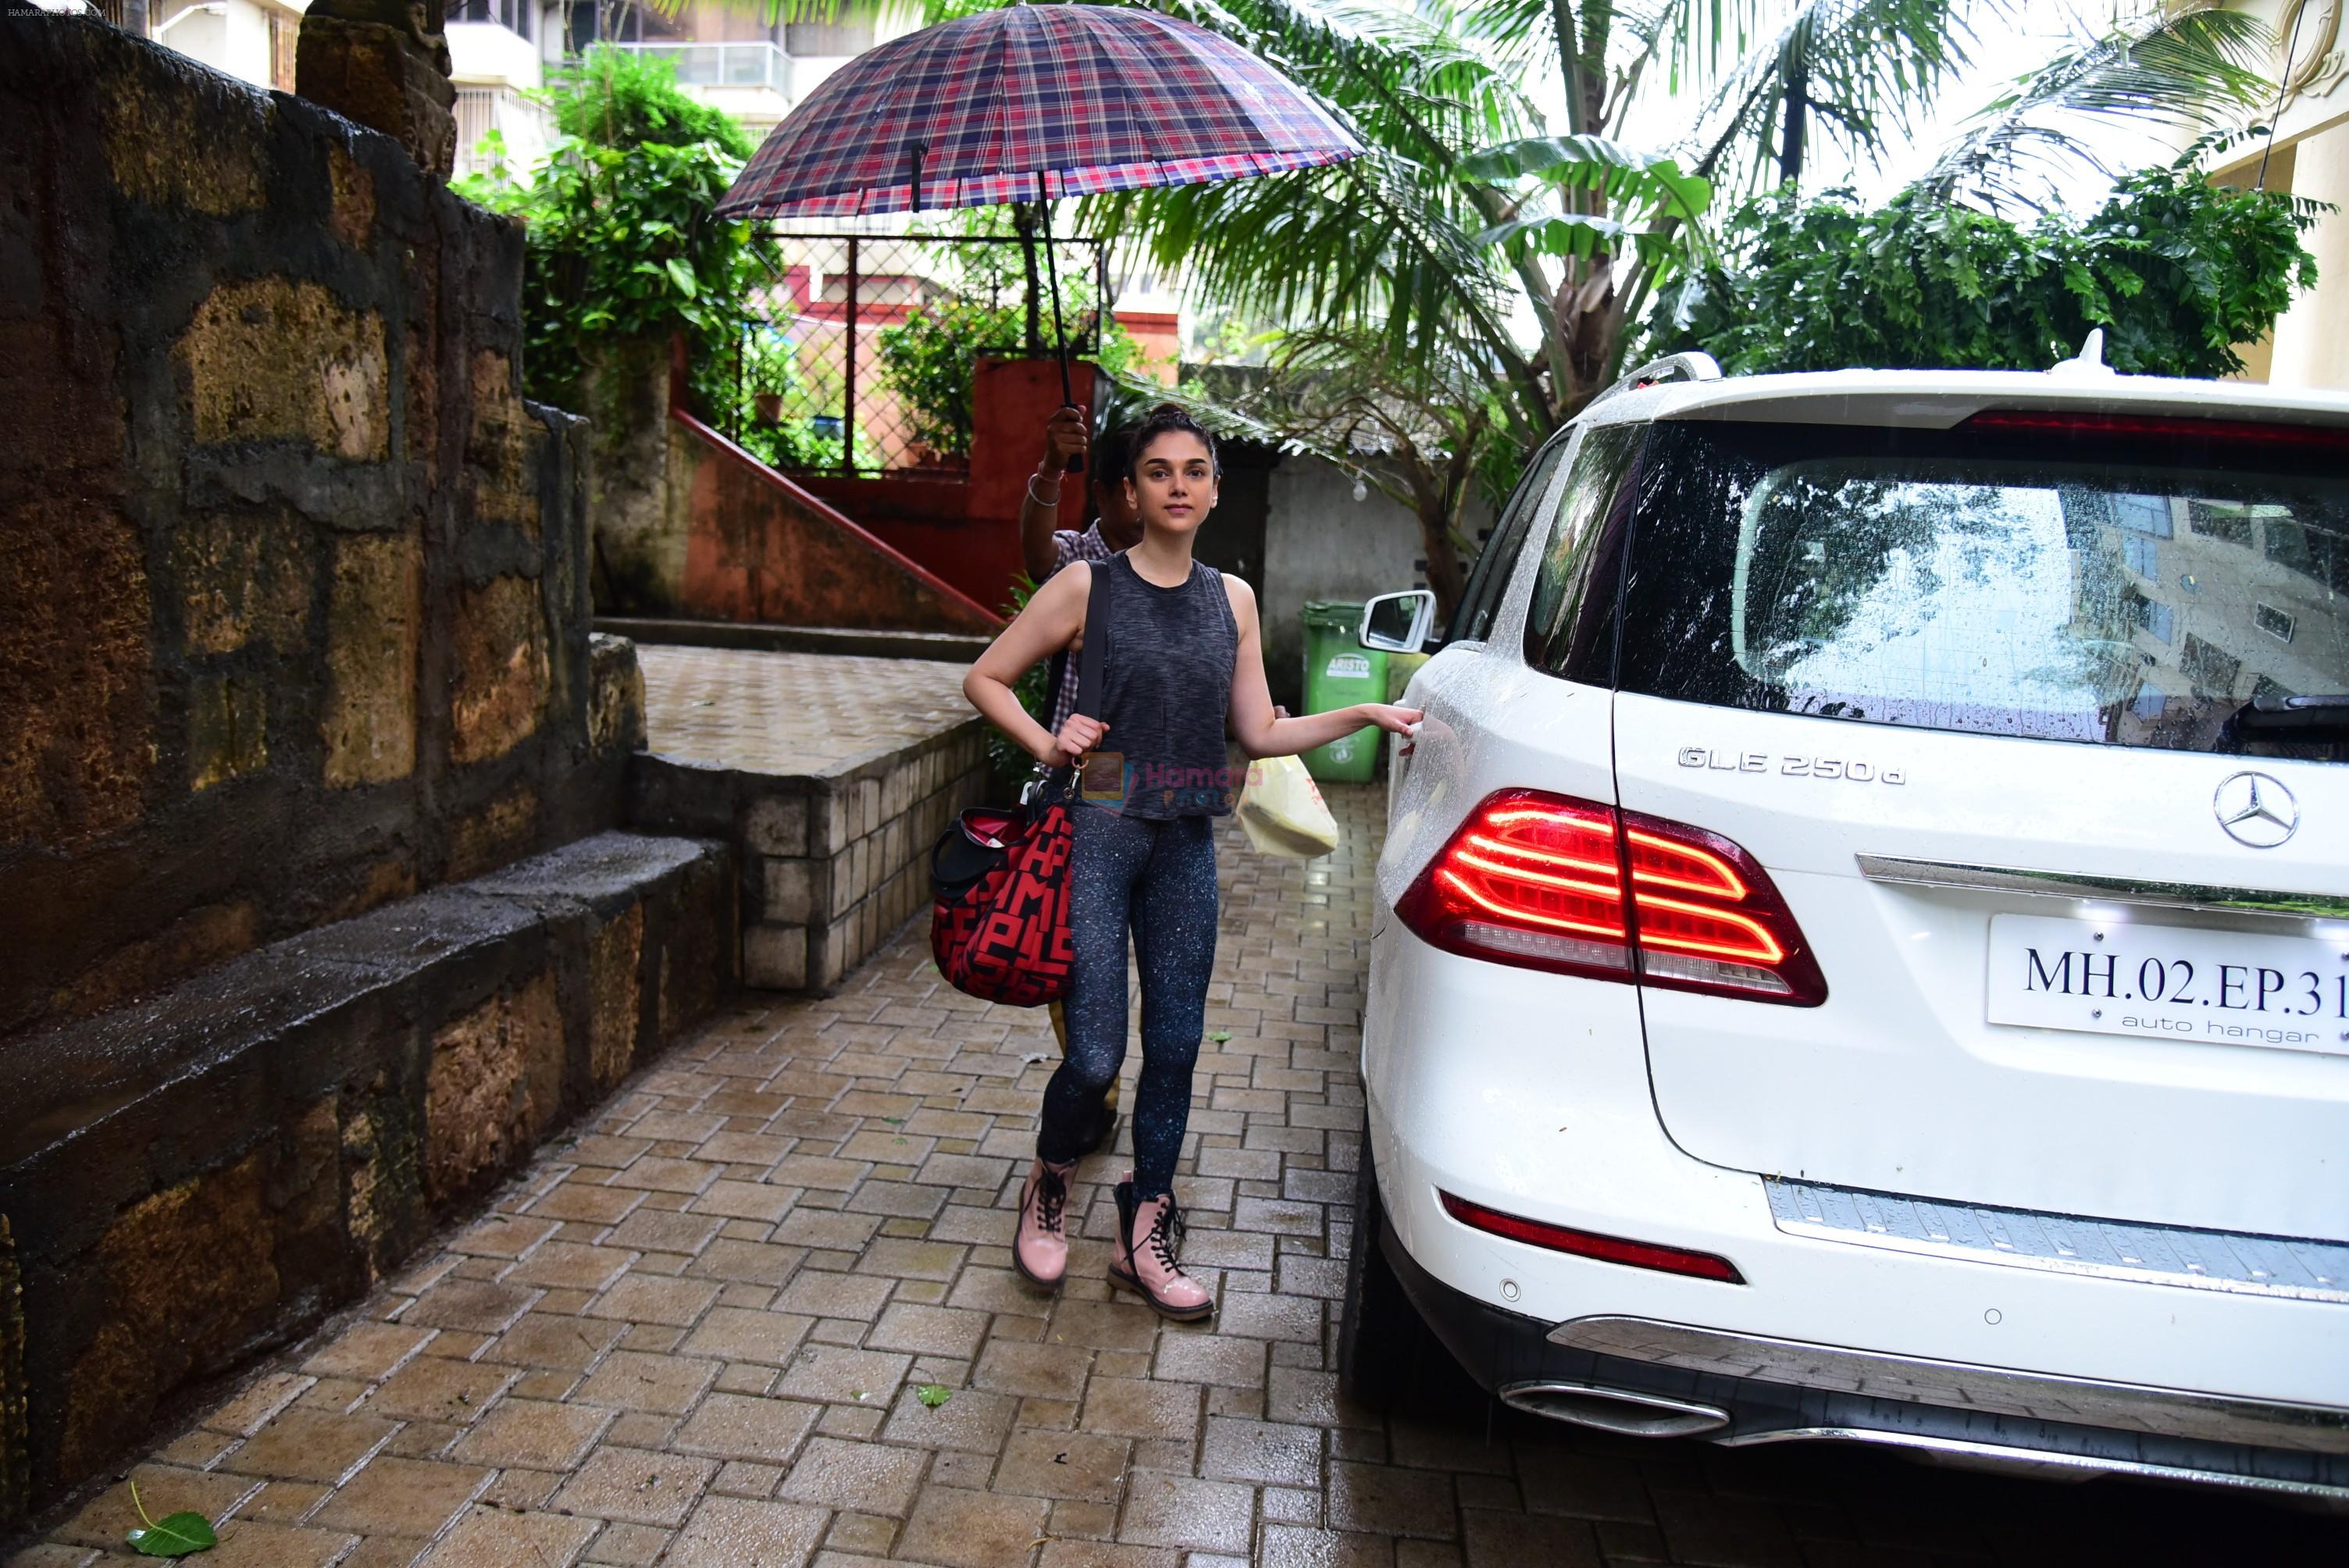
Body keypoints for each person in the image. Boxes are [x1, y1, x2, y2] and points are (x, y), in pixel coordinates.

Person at [963, 404, 1423, 1320]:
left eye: (1194, 471)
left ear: (1213, 489)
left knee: (1173, 1047)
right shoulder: (1087, 585)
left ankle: (1146, 1226)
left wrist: (1367, 715)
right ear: (1130, 490)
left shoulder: (1234, 600)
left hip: (1184, 838)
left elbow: (1258, 731)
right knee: (1093, 1053)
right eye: (1158, 471)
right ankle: (1049, 1180)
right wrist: (1051, 743)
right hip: (1098, 826)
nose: (1177, 486)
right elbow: (984, 677)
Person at [1019, 407, 1143, 1158]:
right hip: (1092, 771)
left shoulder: (1186, 567)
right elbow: (1036, 551)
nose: (1145, 498)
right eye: (1132, 482)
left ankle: (1103, 1082)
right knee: (1082, 939)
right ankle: (1093, 1086)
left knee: (1129, 931)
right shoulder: (1078, 564)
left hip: (1161, 777)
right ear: (1101, 491)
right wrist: (1048, 469)